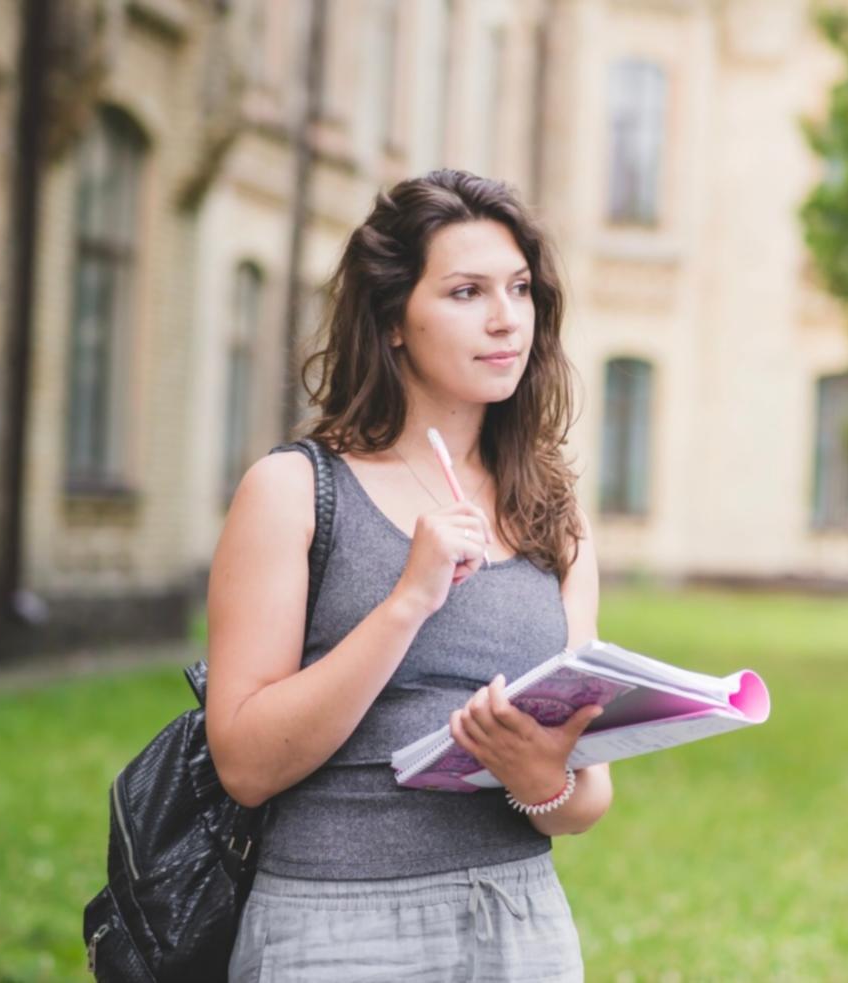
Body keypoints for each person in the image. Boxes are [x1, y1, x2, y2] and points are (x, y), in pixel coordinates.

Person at [206, 169, 610, 982]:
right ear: (394, 320)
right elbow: (245, 763)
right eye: (467, 291)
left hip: (520, 921)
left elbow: (587, 796)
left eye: (521, 288)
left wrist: (540, 780)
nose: (506, 320)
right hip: (337, 928)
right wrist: (408, 601)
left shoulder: (553, 514)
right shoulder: (295, 491)